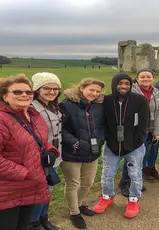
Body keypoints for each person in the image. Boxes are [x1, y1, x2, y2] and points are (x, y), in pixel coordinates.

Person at [0, 74, 59, 230]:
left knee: (22, 226)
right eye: (17, 92)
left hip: (28, 187)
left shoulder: (33, 115)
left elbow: (40, 141)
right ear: (5, 96)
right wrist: (25, 173)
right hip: (4, 190)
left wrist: (51, 151)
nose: (24, 95)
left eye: (28, 92)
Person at [92, 73, 149, 219]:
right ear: (114, 84)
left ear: (131, 85)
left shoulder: (140, 100)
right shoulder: (106, 100)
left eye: (127, 84)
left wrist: (135, 143)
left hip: (134, 146)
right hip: (112, 146)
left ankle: (134, 199)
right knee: (107, 173)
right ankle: (107, 197)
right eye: (120, 83)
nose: (123, 87)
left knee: (135, 174)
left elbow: (143, 125)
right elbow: (102, 122)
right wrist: (107, 140)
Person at [59, 78, 106, 229]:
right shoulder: (66, 105)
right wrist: (75, 142)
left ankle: (78, 204)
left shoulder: (99, 106)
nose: (94, 93)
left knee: (88, 182)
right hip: (72, 151)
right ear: (81, 88)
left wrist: (100, 140)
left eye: (97, 91)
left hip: (92, 151)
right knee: (73, 183)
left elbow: (102, 126)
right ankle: (74, 212)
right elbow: (61, 128)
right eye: (91, 90)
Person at [119, 69, 159, 196]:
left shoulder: (157, 93)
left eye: (148, 77)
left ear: (153, 78)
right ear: (137, 79)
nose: (146, 79)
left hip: (150, 130)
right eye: (142, 77)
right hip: (136, 130)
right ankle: (125, 181)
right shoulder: (130, 92)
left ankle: (135, 180)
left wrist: (157, 132)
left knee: (143, 158)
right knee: (133, 157)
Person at [29, 72, 63, 230]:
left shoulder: (53, 105)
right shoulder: (31, 108)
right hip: (40, 158)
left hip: (53, 155)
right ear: (37, 90)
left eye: (55, 88)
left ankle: (44, 219)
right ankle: (34, 223)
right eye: (47, 88)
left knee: (47, 191)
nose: (52, 91)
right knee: (40, 193)